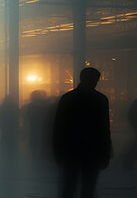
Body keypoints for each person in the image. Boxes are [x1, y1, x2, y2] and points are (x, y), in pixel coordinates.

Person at [53, 68, 112, 198]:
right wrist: (106, 152)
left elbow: (59, 127)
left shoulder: (68, 98)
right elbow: (104, 129)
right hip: (93, 151)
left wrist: (57, 151)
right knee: (88, 188)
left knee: (69, 186)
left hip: (71, 150)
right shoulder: (101, 99)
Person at [24, 90, 52, 158]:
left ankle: (36, 161)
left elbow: (28, 118)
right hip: (46, 131)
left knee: (35, 148)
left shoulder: (31, 106)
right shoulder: (48, 105)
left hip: (34, 131)